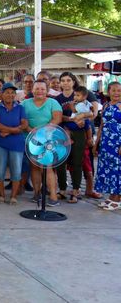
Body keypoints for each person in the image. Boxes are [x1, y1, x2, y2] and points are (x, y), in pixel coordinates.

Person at [55, 72, 98, 203]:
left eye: (68, 80)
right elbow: (57, 116)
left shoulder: (83, 95)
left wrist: (82, 117)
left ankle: (75, 191)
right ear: (60, 83)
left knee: (77, 163)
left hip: (80, 133)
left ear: (73, 82)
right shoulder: (57, 99)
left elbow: (93, 113)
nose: (65, 83)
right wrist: (72, 119)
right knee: (61, 162)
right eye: (63, 80)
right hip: (63, 132)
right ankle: (62, 190)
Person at [21, 81, 63, 205]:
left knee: (47, 167)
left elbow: (57, 118)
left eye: (42, 89)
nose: (40, 91)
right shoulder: (25, 103)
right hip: (30, 138)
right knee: (34, 166)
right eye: (37, 88)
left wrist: (43, 130)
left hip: (48, 139)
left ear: (47, 90)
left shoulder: (53, 103)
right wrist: (30, 130)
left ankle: (53, 197)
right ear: (32, 90)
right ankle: (36, 193)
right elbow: (22, 120)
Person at [0, 83, 29, 205]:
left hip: (16, 144)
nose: (10, 95)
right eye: (7, 92)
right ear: (2, 94)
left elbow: (24, 124)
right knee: (0, 170)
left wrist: (7, 132)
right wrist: (13, 130)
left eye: (12, 92)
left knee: (16, 170)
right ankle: (1, 196)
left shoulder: (20, 108)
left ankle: (13, 196)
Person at [94, 81, 121, 210]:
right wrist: (96, 143)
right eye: (114, 90)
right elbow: (101, 126)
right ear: (108, 92)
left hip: (117, 143)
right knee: (107, 169)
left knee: (117, 170)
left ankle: (117, 198)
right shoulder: (105, 105)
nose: (117, 93)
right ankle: (111, 197)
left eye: (119, 90)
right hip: (106, 143)